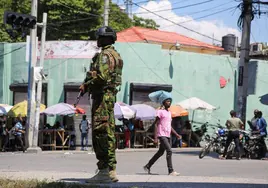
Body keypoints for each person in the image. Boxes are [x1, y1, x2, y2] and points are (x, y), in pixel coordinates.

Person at [79, 26, 123, 183]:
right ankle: (110, 170)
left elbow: (102, 77)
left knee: (100, 132)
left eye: (99, 37)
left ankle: (104, 171)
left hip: (102, 98)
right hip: (109, 97)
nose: (97, 40)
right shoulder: (116, 55)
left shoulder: (104, 55)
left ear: (106, 38)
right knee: (108, 131)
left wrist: (87, 84)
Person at [144, 91, 181, 176]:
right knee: (169, 151)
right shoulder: (160, 112)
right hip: (161, 135)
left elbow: (169, 126)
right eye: (167, 101)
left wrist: (176, 134)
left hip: (168, 135)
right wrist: (156, 137)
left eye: (170, 101)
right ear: (163, 102)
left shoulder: (169, 113)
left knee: (160, 152)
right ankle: (171, 171)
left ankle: (148, 166)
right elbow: (156, 124)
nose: (169, 102)